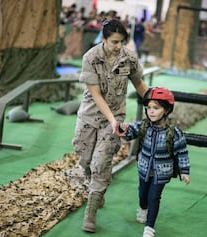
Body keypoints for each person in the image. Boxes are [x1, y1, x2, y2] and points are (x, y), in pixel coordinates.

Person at [72, 18, 149, 233]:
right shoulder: (90, 57)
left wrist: (155, 104)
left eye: (122, 41)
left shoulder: (129, 58)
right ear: (104, 39)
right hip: (89, 116)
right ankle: (95, 186)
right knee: (84, 159)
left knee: (101, 163)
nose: (119, 46)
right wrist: (112, 119)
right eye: (115, 41)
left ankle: (92, 209)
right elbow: (95, 94)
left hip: (115, 119)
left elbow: (139, 83)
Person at [120, 87, 191, 237]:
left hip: (162, 172)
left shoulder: (175, 133)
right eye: (149, 108)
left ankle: (149, 227)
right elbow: (130, 133)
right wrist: (124, 130)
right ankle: (142, 207)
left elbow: (182, 152)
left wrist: (184, 171)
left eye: (156, 108)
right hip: (144, 169)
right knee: (142, 194)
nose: (151, 111)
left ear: (166, 110)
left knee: (154, 197)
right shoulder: (144, 125)